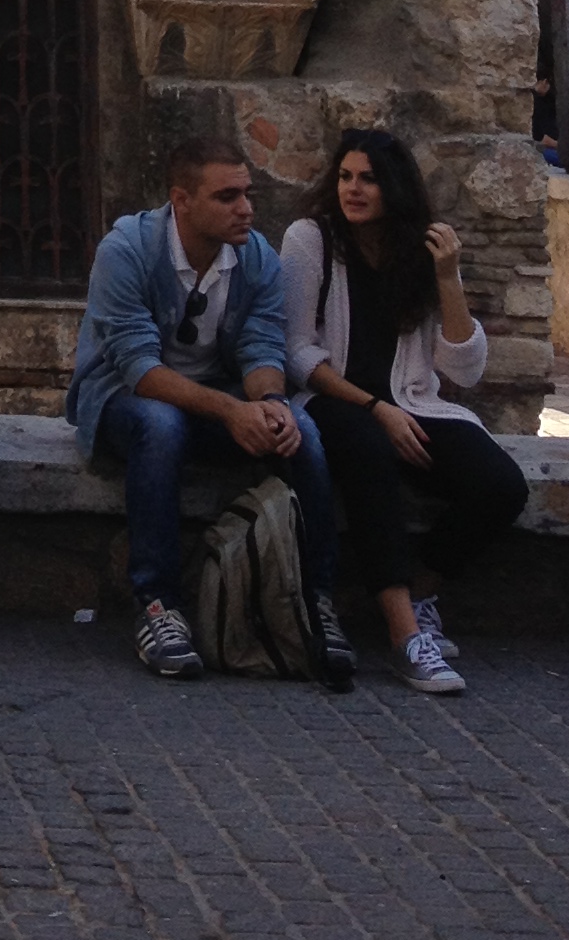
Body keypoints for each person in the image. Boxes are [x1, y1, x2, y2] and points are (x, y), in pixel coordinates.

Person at [67, 136, 353, 688]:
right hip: (124, 401)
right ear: (182, 200)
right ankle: (157, 605)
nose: (246, 208)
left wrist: (270, 404)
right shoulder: (126, 249)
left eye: (247, 193)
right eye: (227, 196)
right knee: (160, 423)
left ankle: (316, 603)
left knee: (305, 434)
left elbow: (262, 347)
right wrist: (230, 410)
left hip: (219, 400)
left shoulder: (256, 256)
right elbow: (140, 370)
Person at [283, 127, 527, 696]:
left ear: (394, 187)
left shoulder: (417, 251)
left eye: (368, 178)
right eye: (345, 177)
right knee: (369, 453)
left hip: (411, 400)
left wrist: (447, 279)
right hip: (330, 400)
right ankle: (403, 636)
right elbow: (296, 354)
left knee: (499, 484)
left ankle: (421, 593)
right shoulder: (309, 239)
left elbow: (464, 369)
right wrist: (375, 409)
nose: (354, 189)